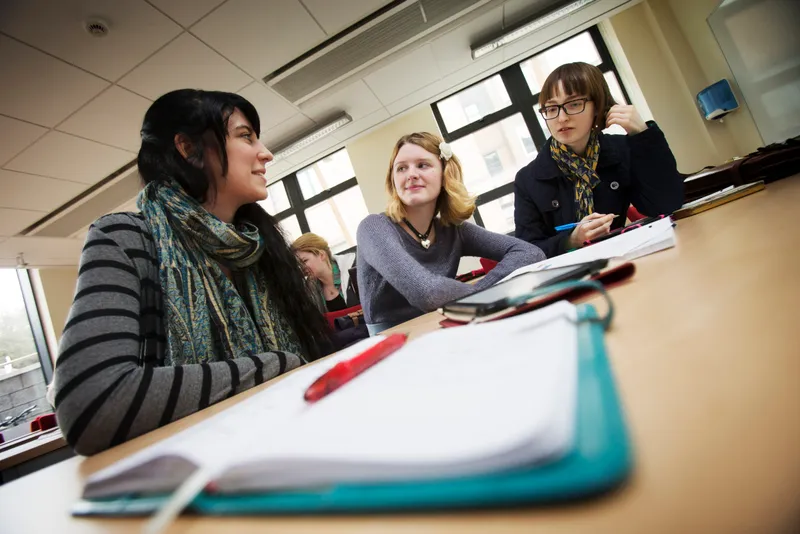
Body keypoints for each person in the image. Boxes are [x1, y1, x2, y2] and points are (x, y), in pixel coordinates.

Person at [50, 89, 330, 455]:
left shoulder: (261, 247)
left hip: (302, 447)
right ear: (188, 149)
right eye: (245, 136)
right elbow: (89, 402)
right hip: (197, 475)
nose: (265, 153)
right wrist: (277, 364)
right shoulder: (125, 239)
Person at [356, 132, 545, 335]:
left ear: (445, 173)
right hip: (393, 347)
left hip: (446, 330)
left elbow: (530, 253)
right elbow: (429, 293)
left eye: (422, 165)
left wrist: (478, 291)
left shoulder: (453, 230)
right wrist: (481, 295)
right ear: (393, 180)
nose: (410, 174)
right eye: (401, 168)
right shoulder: (373, 228)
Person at [514, 62, 684, 258]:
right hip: (568, 276)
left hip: (621, 259)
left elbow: (665, 204)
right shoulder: (528, 179)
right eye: (551, 108)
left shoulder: (621, 150)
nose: (561, 118)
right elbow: (525, 253)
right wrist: (571, 240)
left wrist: (642, 135)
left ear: (597, 106)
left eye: (574, 104)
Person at [292, 233, 358, 313]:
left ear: (322, 255)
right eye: (298, 265)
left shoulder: (355, 271)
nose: (301, 268)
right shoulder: (309, 290)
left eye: (304, 261)